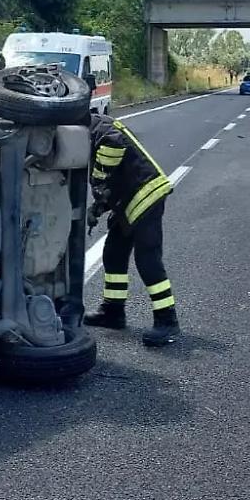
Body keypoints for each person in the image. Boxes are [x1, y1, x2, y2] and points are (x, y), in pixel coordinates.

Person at [84, 113, 181, 346]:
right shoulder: (89, 127)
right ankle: (113, 311)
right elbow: (115, 176)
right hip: (127, 200)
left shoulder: (97, 125)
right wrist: (98, 206)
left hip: (145, 194)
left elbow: (114, 143)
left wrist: (98, 180)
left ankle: (167, 320)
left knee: (147, 258)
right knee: (113, 253)